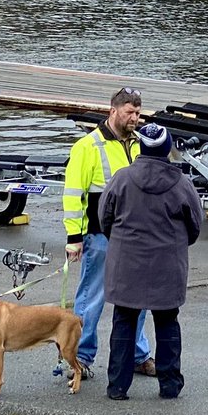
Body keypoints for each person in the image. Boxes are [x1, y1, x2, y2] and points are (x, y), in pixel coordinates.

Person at [101, 123, 201, 401]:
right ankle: (169, 385)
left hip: (126, 262)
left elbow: (105, 218)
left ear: (140, 148)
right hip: (167, 263)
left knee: (124, 320)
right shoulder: (182, 183)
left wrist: (122, 242)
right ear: (167, 149)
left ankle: (117, 386)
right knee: (168, 321)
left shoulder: (122, 179)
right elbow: (195, 225)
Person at [63, 87, 154, 379]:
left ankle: (138, 356)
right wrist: (73, 237)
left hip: (134, 236)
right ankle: (81, 358)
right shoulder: (88, 146)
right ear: (113, 111)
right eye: (130, 112)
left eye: (138, 113)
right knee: (92, 297)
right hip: (99, 234)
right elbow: (73, 194)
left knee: (137, 299)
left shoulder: (140, 144)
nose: (135, 118)